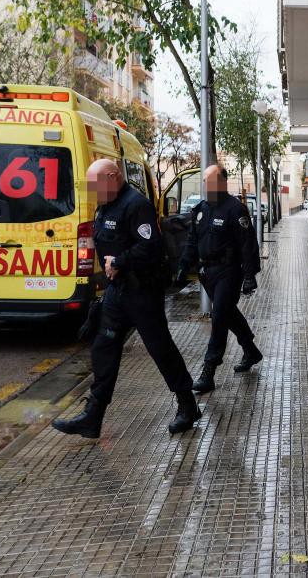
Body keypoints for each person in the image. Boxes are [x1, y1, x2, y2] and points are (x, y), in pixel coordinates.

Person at [53, 159, 200, 439]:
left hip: (142, 292)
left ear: (112, 176)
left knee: (160, 349)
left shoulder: (136, 205)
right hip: (117, 292)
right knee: (103, 347)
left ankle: (187, 404)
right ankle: (93, 416)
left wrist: (120, 261)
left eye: (96, 184)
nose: (93, 191)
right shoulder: (106, 205)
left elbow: (150, 247)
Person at [176, 165, 263, 393]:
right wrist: (184, 265)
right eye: (205, 181)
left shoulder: (235, 209)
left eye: (212, 181)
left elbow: (248, 243)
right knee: (228, 313)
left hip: (229, 271)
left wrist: (250, 275)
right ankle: (251, 351)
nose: (208, 186)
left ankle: (209, 370)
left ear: (223, 183)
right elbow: (192, 241)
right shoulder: (200, 210)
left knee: (219, 316)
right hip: (208, 273)